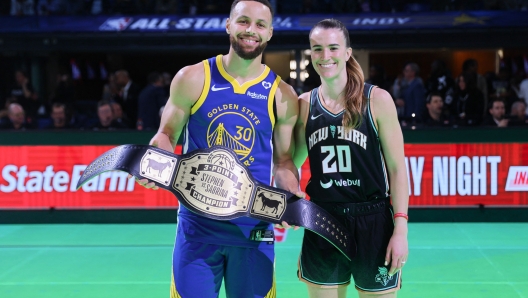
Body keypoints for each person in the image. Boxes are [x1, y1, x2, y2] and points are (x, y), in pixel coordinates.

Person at [134, 1, 299, 297]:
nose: (251, 31)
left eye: (260, 25)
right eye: (244, 22)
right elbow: (167, 134)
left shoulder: (283, 95)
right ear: (228, 25)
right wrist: (156, 159)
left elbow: (284, 161)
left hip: (254, 230)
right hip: (197, 229)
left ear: (270, 33)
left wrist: (291, 193)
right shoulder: (193, 77)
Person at [293, 19, 409, 298]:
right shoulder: (305, 105)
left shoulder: (376, 100)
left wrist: (401, 229)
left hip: (373, 220)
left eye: (333, 48)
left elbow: (396, 168)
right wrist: (288, 199)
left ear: (347, 52)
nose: (325, 56)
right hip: (322, 218)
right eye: (317, 49)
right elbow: (291, 162)